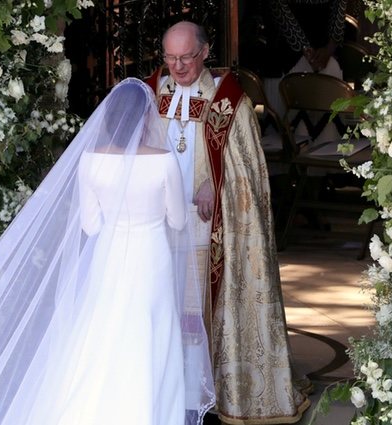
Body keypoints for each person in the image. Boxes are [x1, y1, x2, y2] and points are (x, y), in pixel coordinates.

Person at [0, 79, 215, 425]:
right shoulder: (163, 159)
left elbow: (90, 225)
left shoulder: (91, 161)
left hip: (108, 257)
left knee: (103, 334)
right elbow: (178, 219)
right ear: (147, 117)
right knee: (152, 335)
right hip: (150, 258)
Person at [145, 22, 309, 425]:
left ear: (205, 53)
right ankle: (171, 393)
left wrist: (214, 185)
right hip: (158, 227)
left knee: (197, 313)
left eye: (185, 57)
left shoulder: (227, 99)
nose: (177, 66)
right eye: (170, 57)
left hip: (206, 229)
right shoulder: (151, 92)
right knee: (164, 311)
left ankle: (210, 395)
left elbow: (247, 172)